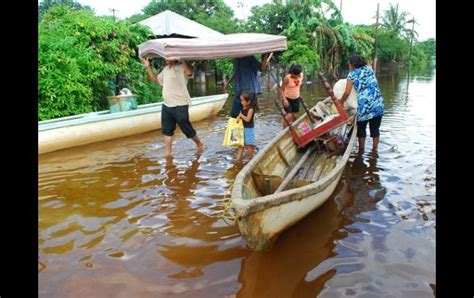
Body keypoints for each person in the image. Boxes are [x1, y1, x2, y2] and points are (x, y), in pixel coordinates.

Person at [142, 57, 204, 157]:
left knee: (186, 129)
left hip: (180, 104)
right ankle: (168, 152)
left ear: (175, 58)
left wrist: (182, 59)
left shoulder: (182, 67)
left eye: (169, 56)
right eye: (165, 56)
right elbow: (156, 80)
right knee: (167, 131)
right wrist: (148, 66)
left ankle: (199, 144)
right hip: (167, 105)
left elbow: (189, 73)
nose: (166, 58)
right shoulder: (166, 69)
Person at [337, 54, 384, 153]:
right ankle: (374, 150)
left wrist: (340, 102)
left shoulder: (352, 75)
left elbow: (347, 92)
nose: (349, 66)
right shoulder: (369, 68)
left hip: (365, 106)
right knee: (375, 130)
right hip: (378, 102)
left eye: (349, 64)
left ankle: (361, 151)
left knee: (361, 130)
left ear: (352, 64)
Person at [224, 54, 272, 118]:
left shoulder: (250, 58)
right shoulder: (236, 60)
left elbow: (262, 68)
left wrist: (265, 56)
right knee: (234, 115)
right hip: (239, 91)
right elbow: (236, 72)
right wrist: (228, 83)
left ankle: (247, 127)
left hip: (249, 92)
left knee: (248, 116)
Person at [235, 91, 256, 161]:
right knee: (240, 144)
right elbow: (239, 116)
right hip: (242, 128)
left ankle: (250, 159)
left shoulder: (251, 109)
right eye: (241, 101)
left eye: (243, 101)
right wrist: (238, 118)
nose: (241, 102)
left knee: (249, 145)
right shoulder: (243, 108)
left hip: (248, 129)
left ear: (248, 101)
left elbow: (248, 119)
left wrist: (241, 115)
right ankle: (238, 159)